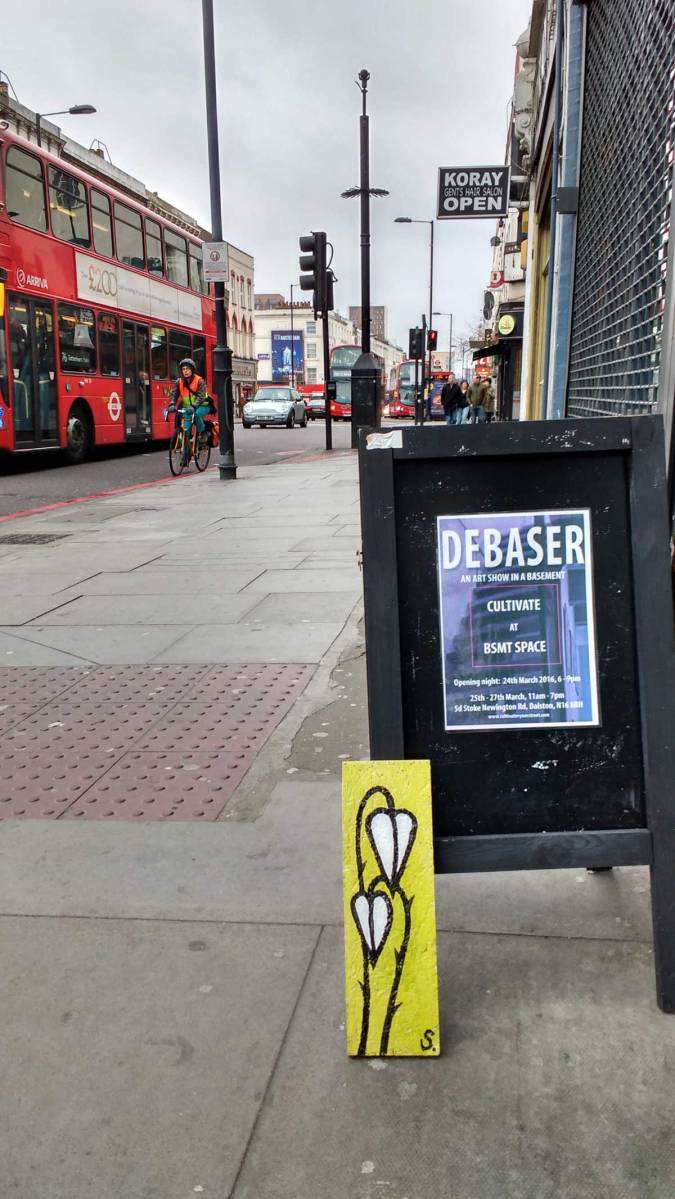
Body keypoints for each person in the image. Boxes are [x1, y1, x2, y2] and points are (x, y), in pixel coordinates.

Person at [170, 357, 213, 443]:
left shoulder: (199, 381)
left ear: (192, 370)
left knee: (196, 414)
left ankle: (202, 432)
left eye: (188, 369)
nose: (185, 371)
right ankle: (186, 450)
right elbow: (174, 395)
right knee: (186, 430)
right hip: (188, 408)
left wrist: (194, 406)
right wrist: (172, 404)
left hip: (203, 406)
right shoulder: (179, 382)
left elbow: (201, 397)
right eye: (183, 369)